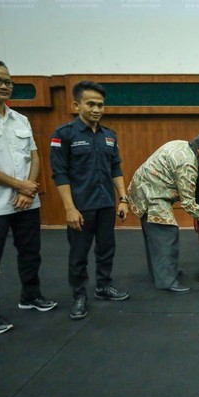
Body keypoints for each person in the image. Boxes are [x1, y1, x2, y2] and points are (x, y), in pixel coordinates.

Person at [0, 57, 56, 335]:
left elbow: (34, 156)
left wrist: (28, 187)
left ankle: (30, 296)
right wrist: (17, 184)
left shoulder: (20, 119)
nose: (5, 86)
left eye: (8, 81)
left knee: (31, 253)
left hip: (26, 200)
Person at [50, 81, 130, 321]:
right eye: (91, 104)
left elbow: (115, 167)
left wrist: (123, 199)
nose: (97, 109)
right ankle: (79, 295)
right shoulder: (63, 135)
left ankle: (103, 286)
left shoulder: (109, 136)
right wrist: (70, 208)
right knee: (79, 254)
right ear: (76, 105)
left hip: (105, 203)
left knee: (106, 249)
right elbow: (59, 173)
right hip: (81, 207)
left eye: (100, 105)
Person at [127, 132, 199, 293]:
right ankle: (166, 280)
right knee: (166, 233)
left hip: (143, 188)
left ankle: (162, 271)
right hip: (151, 194)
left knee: (155, 236)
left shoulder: (183, 144)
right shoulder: (187, 164)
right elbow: (188, 203)